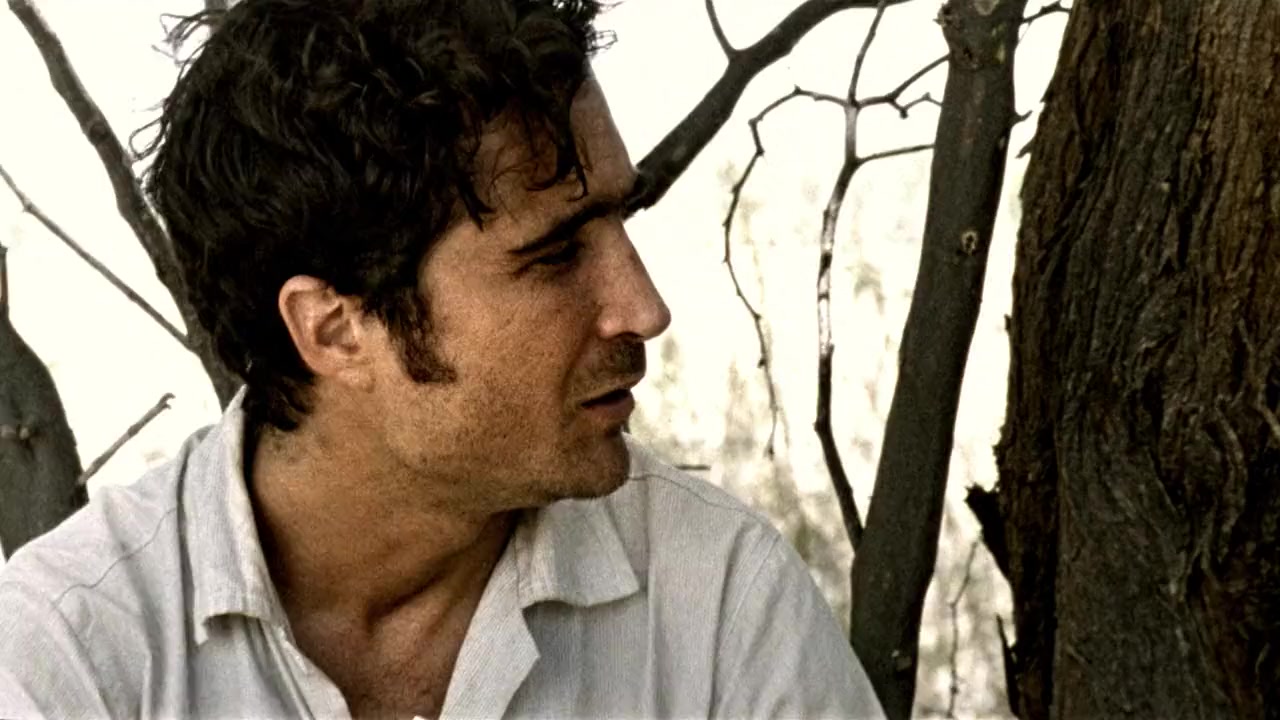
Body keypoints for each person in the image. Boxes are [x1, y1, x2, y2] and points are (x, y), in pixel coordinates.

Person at [0, 1, 885, 717]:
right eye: (554, 255)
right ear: (334, 329)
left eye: (624, 220)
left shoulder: (716, 594)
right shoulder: (69, 656)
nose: (643, 310)